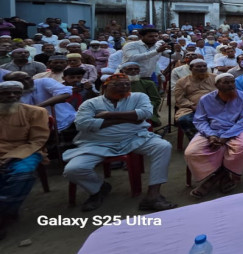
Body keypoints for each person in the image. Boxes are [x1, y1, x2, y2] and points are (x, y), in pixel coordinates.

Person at [62, 74, 176, 212]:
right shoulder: (91, 103)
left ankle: (153, 195)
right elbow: (83, 124)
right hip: (97, 143)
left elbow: (145, 113)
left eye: (127, 84)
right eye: (118, 84)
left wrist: (108, 115)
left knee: (163, 146)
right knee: (73, 169)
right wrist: (128, 118)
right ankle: (98, 188)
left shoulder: (139, 97)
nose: (124, 87)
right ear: (104, 87)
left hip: (135, 138)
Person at [185, 73, 243, 199]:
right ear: (216, 85)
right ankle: (224, 176)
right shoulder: (205, 99)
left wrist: (226, 136)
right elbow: (199, 120)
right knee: (191, 152)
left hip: (237, 129)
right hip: (211, 130)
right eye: (226, 82)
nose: (230, 85)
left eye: (232, 82)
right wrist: (211, 135)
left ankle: (214, 178)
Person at [0, 81, 49, 240]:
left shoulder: (36, 112)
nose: (12, 96)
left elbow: (37, 141)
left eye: (16, 93)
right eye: (6, 93)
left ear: (22, 94)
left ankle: (4, 213)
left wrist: (12, 157)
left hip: (26, 151)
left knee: (22, 174)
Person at [4, 71, 73, 131]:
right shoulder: (10, 94)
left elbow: (65, 94)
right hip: (37, 127)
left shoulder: (44, 81)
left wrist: (37, 107)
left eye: (27, 78)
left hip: (66, 120)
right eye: (20, 81)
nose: (26, 82)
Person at [173, 59, 216, 139]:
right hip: (191, 108)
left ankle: (216, 138)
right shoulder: (182, 81)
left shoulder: (215, 78)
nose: (202, 68)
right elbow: (180, 98)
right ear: (191, 69)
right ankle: (198, 140)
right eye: (198, 66)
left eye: (204, 66)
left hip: (215, 107)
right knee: (185, 120)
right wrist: (192, 106)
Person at [120, 62, 162, 127]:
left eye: (136, 69)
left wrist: (143, 108)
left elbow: (156, 100)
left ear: (139, 71)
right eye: (129, 69)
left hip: (143, 112)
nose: (133, 71)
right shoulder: (115, 85)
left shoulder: (148, 84)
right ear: (122, 71)